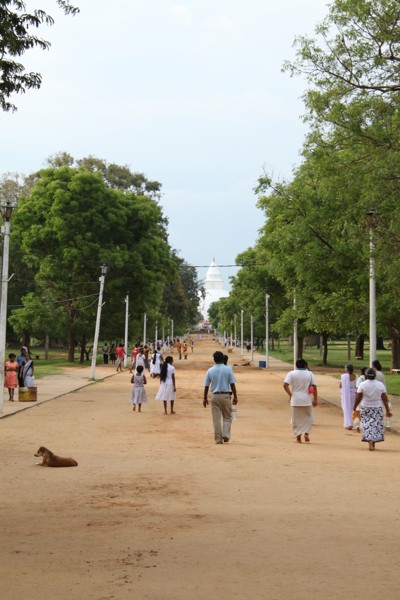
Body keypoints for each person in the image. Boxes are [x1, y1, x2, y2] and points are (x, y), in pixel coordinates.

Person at [353, 367, 392, 451]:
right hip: (377, 407)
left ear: (366, 375)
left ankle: (369, 441)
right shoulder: (380, 385)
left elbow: (358, 398)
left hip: (365, 407)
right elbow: (384, 398)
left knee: (367, 424)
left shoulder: (362, 384)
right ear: (374, 376)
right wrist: (388, 410)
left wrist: (354, 406)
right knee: (375, 425)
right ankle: (373, 442)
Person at [203, 351, 238, 444]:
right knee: (227, 416)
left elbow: (206, 385)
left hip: (214, 396)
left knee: (216, 419)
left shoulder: (210, 370)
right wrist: (235, 396)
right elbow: (232, 384)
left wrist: (205, 398)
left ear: (214, 360)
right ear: (222, 358)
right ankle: (226, 434)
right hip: (226, 395)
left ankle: (218, 439)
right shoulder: (228, 369)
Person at [283, 358, 318, 443]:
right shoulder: (310, 374)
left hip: (295, 399)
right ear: (305, 365)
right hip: (306, 398)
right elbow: (314, 387)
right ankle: (306, 433)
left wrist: (290, 394)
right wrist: (315, 399)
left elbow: (285, 385)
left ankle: (298, 436)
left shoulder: (291, 373)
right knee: (308, 417)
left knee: (296, 419)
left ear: (296, 365)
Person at [340, 363, 357, 430]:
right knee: (352, 408)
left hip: (345, 394)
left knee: (346, 408)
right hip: (353, 393)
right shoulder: (356, 376)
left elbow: (341, 386)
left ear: (347, 369)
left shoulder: (344, 376)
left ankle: (348, 423)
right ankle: (353, 422)